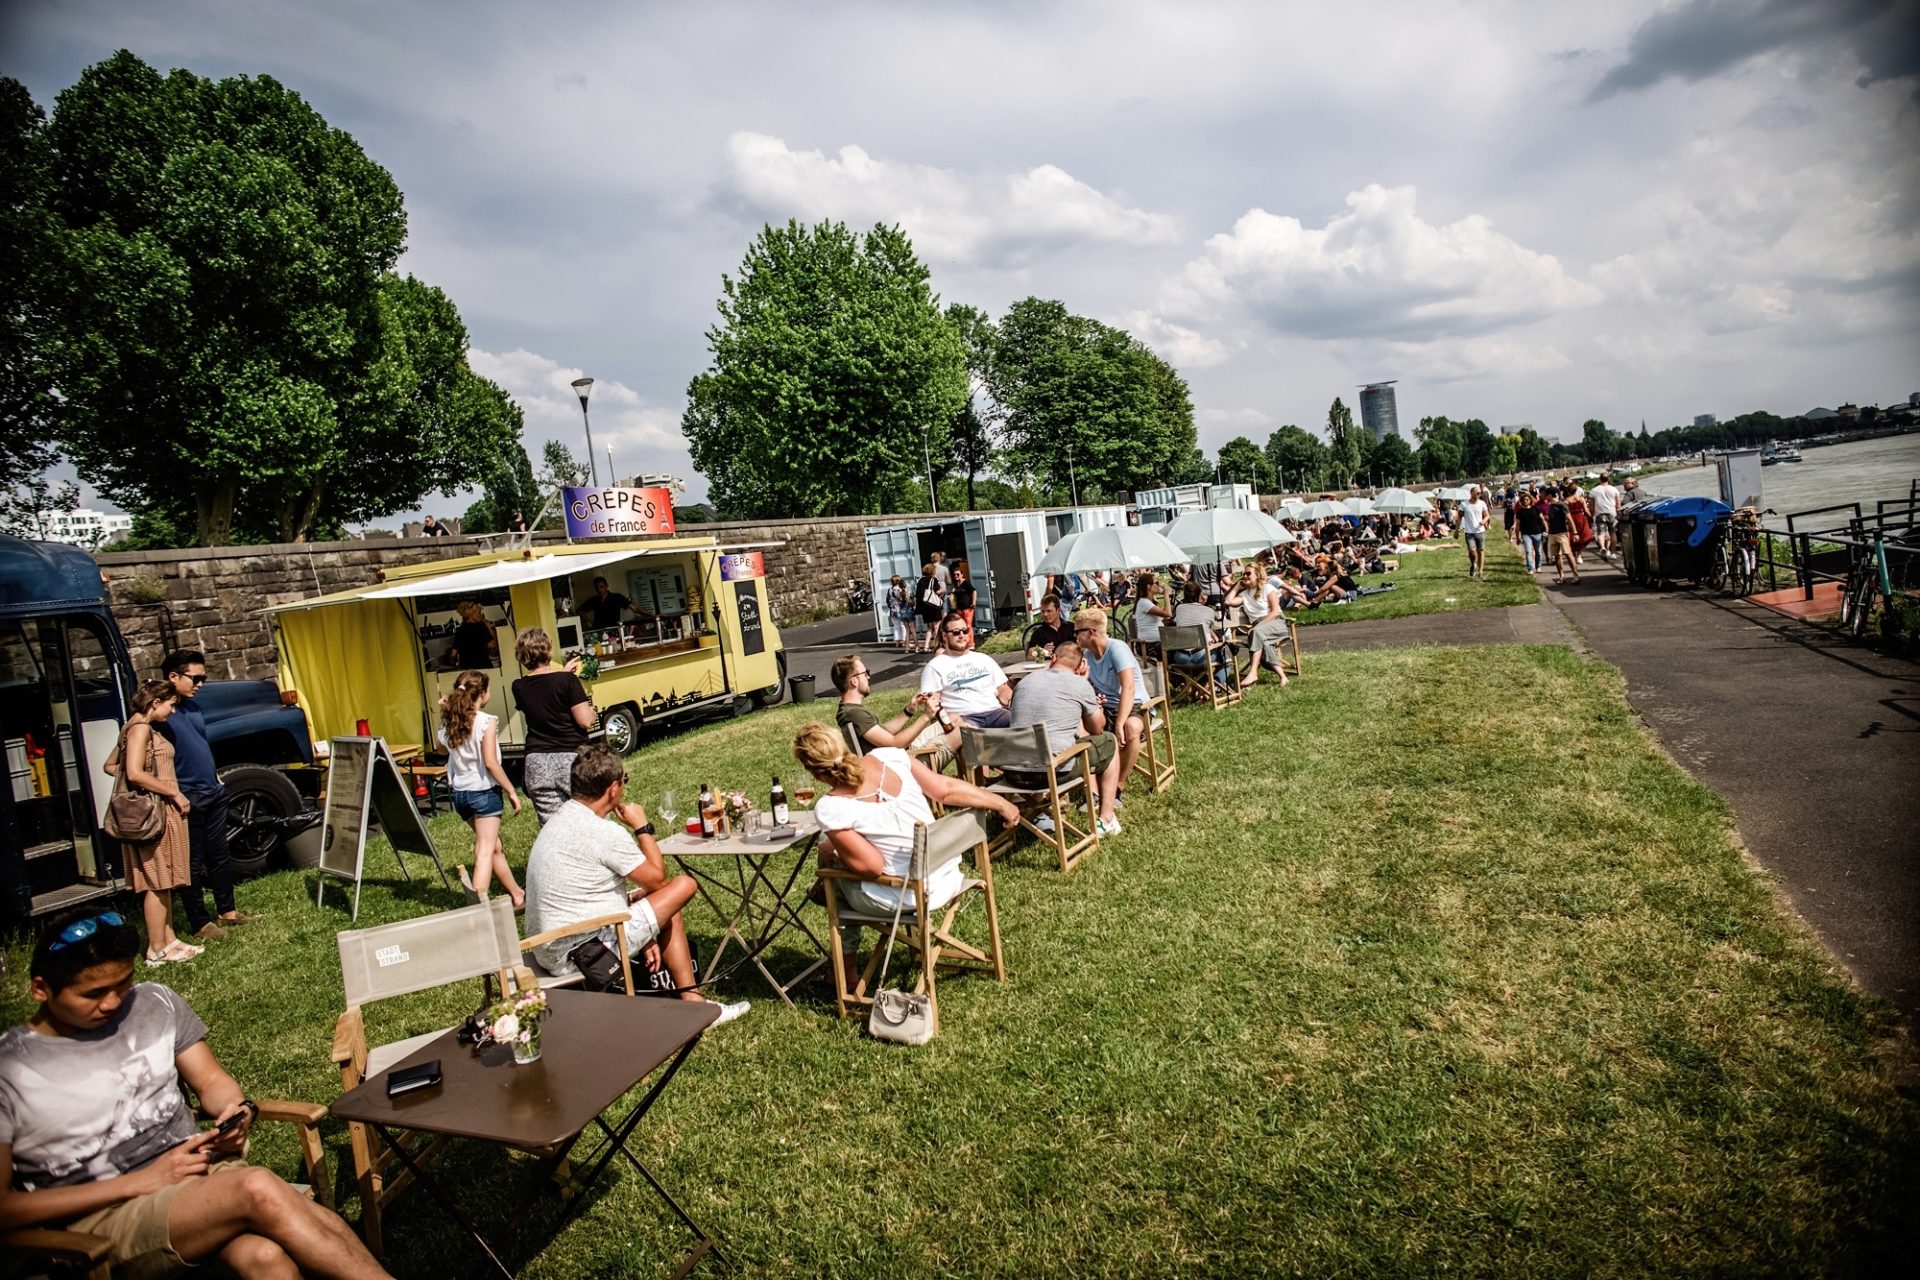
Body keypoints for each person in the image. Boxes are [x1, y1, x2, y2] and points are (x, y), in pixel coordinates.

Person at [0, 908, 389, 1279]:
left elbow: (210, 1082)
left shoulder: (153, 1002)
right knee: (256, 1188)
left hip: (198, 1178)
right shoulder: (11, 1069)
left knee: (264, 1259)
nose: (113, 1002)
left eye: (124, 983)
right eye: (93, 993)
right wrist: (138, 1183)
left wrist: (235, 1110)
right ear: (40, 989)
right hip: (100, 1217)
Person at [522, 746, 748, 1024]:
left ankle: (692, 1000)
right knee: (682, 886)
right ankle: (695, 1005)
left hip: (547, 948)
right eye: (624, 781)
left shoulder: (558, 820)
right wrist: (642, 827)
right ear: (614, 788)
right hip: (582, 953)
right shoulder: (603, 832)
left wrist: (646, 930)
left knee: (665, 901)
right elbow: (658, 878)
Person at [791, 723, 1019, 983]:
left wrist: (833, 853)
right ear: (842, 744)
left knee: (835, 881)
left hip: (908, 896)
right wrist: (999, 802)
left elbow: (871, 867)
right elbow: (945, 789)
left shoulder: (831, 807)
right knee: (836, 865)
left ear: (813, 771)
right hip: (946, 873)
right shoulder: (890, 756)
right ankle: (842, 964)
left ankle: (845, 974)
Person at [155, 652, 251, 943]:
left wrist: (215, 778)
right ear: (173, 677)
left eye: (203, 678)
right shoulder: (160, 715)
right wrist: (174, 791)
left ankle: (227, 910)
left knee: (220, 854)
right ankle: (199, 921)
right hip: (188, 797)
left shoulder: (194, 708)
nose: (200, 684)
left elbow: (198, 745)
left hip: (212, 791)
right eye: (195, 678)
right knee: (192, 862)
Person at [109, 681, 200, 966]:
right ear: (154, 702)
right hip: (156, 812)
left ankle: (169, 940)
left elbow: (113, 766)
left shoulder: (131, 728)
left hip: (159, 808)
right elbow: (133, 773)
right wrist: (170, 790)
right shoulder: (140, 729)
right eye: (170, 705)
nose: (172, 712)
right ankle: (156, 948)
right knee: (158, 881)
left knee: (166, 878)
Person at [1009, 642, 1123, 835]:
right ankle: (1106, 819)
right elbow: (1096, 729)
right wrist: (1088, 692)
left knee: (1042, 743)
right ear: (1080, 667)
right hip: (1051, 773)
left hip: (1013, 773)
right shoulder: (1080, 684)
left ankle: (1039, 812)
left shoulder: (1025, 682)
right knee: (1109, 742)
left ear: (1053, 658)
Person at [438, 670, 525, 908]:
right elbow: (490, 763)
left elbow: (441, 747)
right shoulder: (487, 721)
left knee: (493, 846)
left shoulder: (452, 722)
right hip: (484, 792)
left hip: (460, 795)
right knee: (484, 851)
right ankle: (477, 911)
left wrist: (447, 711)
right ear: (483, 693)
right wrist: (511, 790)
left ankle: (517, 894)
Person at [511, 628, 594, 824]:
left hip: (536, 762)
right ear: (548, 649)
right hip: (571, 757)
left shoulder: (519, 687)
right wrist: (592, 710)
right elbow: (585, 721)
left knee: (553, 829)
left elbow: (543, 691)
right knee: (591, 821)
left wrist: (563, 675)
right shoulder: (567, 681)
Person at [1072, 607, 1144, 804]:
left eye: (1078, 631)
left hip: (1132, 705)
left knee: (1131, 727)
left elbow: (1128, 688)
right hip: (1105, 706)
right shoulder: (1086, 656)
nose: (1075, 636)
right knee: (1079, 725)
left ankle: (1118, 787)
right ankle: (1094, 793)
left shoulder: (1117, 649)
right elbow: (1082, 686)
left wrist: (1120, 722)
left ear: (1091, 632)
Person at [831, 654, 951, 761]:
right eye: (865, 673)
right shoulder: (854, 714)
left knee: (955, 719)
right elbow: (895, 743)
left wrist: (909, 711)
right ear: (854, 681)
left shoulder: (849, 710)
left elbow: (884, 732)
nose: (868, 677)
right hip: (906, 762)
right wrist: (926, 717)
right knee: (956, 732)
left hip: (901, 756)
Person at [920, 615, 1012, 729]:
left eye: (965, 631)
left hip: (995, 712)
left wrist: (1012, 702)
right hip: (963, 717)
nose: (962, 635)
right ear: (944, 636)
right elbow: (933, 702)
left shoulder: (983, 659)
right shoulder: (935, 666)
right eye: (956, 632)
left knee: (1024, 724)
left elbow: (1003, 689)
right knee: (971, 736)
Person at [1237, 567, 1293, 688]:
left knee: (1256, 633)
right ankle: (1283, 677)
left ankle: (1253, 673)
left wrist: (1257, 627)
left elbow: (1275, 612)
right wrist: (1237, 585)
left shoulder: (1267, 588)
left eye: (1248, 573)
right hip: (1260, 630)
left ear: (1257, 575)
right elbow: (1228, 601)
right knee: (1265, 644)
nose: (1245, 576)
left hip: (1275, 623)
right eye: (1243, 574)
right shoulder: (1244, 594)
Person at [582, 575, 650, 632]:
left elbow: (635, 608)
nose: (599, 590)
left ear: (606, 586)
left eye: (601, 587)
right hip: (599, 631)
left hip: (615, 630)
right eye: (597, 588)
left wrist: (649, 614)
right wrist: (588, 622)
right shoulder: (593, 600)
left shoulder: (616, 597)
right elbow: (579, 610)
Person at [1545, 486, 1581, 584]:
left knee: (1568, 554)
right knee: (1557, 556)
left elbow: (1569, 519)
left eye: (1547, 495)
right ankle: (1561, 576)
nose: (1545, 496)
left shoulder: (1562, 505)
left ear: (1552, 495)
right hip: (1552, 533)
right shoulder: (1549, 505)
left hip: (1562, 533)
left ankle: (1575, 574)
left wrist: (1575, 533)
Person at [448, 601, 498, 669]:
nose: (481, 616)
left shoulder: (460, 630)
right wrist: (487, 625)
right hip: (483, 667)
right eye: (479, 613)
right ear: (471, 614)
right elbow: (493, 645)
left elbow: (454, 654)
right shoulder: (480, 627)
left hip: (467, 670)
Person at [1133, 575, 1171, 658]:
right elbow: (1168, 613)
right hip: (1149, 646)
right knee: (1179, 651)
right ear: (1149, 586)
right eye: (1156, 583)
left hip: (1156, 643)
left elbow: (1166, 616)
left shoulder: (1149, 602)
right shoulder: (1144, 603)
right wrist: (1166, 594)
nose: (1159, 585)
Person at [1460, 486, 1491, 579]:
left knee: (1481, 551)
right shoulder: (1464, 504)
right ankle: (1473, 563)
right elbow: (1459, 517)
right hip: (1469, 532)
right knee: (1472, 551)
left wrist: (1484, 521)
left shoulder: (1482, 503)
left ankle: (1480, 572)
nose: (1479, 495)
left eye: (1480, 493)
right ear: (1471, 493)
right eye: (1477, 493)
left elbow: (1487, 515)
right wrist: (1457, 530)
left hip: (1480, 531)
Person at [913, 563, 944, 654]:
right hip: (933, 606)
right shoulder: (933, 580)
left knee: (930, 627)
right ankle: (938, 645)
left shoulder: (920, 581)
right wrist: (942, 590)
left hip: (924, 607)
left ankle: (926, 646)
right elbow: (937, 592)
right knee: (937, 626)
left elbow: (918, 595)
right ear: (932, 571)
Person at [1590, 476, 1623, 555]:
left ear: (1600, 479)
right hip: (1611, 513)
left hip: (1600, 513)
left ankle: (1603, 547)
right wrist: (1618, 512)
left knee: (1601, 533)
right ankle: (1613, 553)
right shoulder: (1614, 489)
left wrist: (1592, 514)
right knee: (1612, 532)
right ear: (1608, 479)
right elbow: (1618, 503)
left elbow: (1592, 505)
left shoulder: (1594, 490)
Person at [1515, 492, 1548, 573]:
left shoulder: (1536, 509)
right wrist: (1518, 537)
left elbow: (1542, 519)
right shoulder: (1519, 512)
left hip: (1537, 533)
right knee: (1528, 551)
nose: (1525, 501)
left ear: (1530, 500)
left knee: (1538, 552)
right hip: (1526, 534)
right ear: (1521, 501)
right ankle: (1530, 568)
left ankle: (1538, 566)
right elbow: (1518, 525)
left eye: (1527, 499)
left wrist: (1547, 529)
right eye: (1523, 500)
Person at [949, 559, 978, 644]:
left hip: (967, 608)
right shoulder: (956, 584)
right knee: (961, 626)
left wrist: (973, 602)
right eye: (954, 575)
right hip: (959, 609)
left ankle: (971, 643)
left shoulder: (966, 583)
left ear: (962, 574)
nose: (956, 576)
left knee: (968, 626)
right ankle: (965, 642)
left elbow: (974, 591)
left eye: (958, 574)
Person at [886, 575, 918, 651]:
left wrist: (891, 607)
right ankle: (905, 642)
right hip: (900, 610)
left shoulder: (889, 590)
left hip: (892, 610)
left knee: (896, 626)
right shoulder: (900, 590)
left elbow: (887, 600)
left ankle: (897, 642)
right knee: (903, 627)